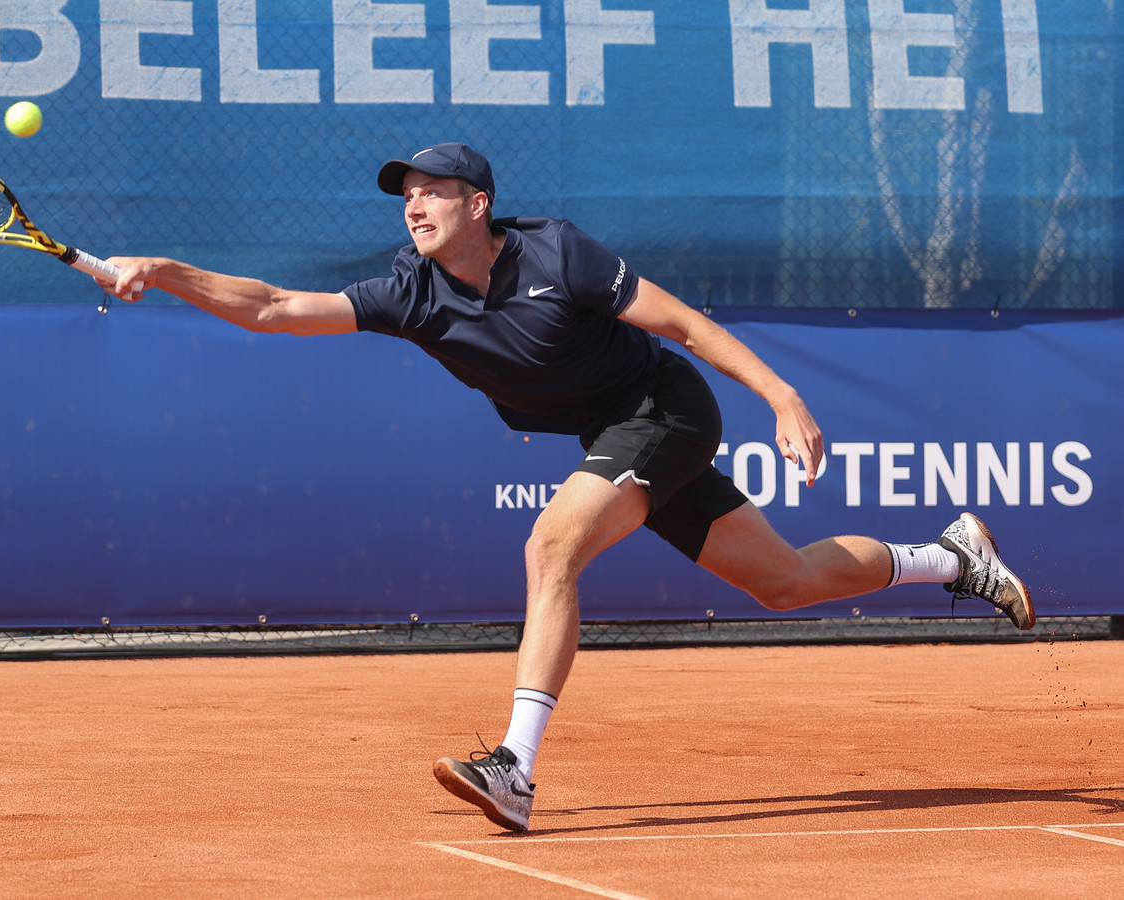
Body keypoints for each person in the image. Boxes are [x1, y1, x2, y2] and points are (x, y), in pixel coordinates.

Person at [97, 142, 1034, 833]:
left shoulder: (556, 254)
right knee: (785, 581)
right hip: (611, 432)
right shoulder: (410, 291)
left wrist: (782, 396)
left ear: (480, 205)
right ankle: (948, 556)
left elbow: (687, 328)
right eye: (407, 196)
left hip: (664, 409)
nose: (415, 208)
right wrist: (167, 271)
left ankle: (514, 767)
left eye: (433, 193)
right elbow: (271, 307)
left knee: (550, 546)